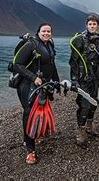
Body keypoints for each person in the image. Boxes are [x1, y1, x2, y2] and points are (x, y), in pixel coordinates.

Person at [14, 23, 60, 164]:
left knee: (39, 114)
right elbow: (17, 64)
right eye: (44, 31)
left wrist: (57, 83)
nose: (46, 33)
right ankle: (30, 151)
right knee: (29, 115)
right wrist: (34, 78)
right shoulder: (31, 45)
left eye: (49, 31)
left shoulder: (49, 45)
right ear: (38, 32)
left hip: (43, 86)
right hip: (27, 86)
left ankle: (33, 136)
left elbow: (52, 65)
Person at [69, 15, 99, 148]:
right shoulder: (79, 40)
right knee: (84, 104)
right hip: (84, 78)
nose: (92, 26)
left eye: (94, 24)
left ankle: (89, 125)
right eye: (90, 24)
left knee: (94, 102)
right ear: (86, 25)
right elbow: (73, 62)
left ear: (97, 25)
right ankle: (80, 131)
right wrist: (74, 80)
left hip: (97, 77)